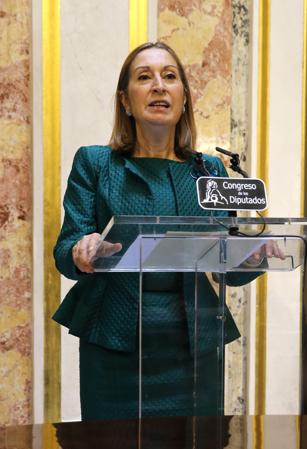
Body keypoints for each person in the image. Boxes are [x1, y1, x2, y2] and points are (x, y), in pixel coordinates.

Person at [53, 42, 266, 420]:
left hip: (192, 349)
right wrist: (81, 249)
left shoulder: (209, 171)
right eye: (144, 77)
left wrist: (254, 256)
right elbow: (66, 246)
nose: (158, 86)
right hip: (113, 344)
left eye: (169, 77)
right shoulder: (95, 163)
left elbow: (227, 269)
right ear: (125, 100)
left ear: (183, 99)